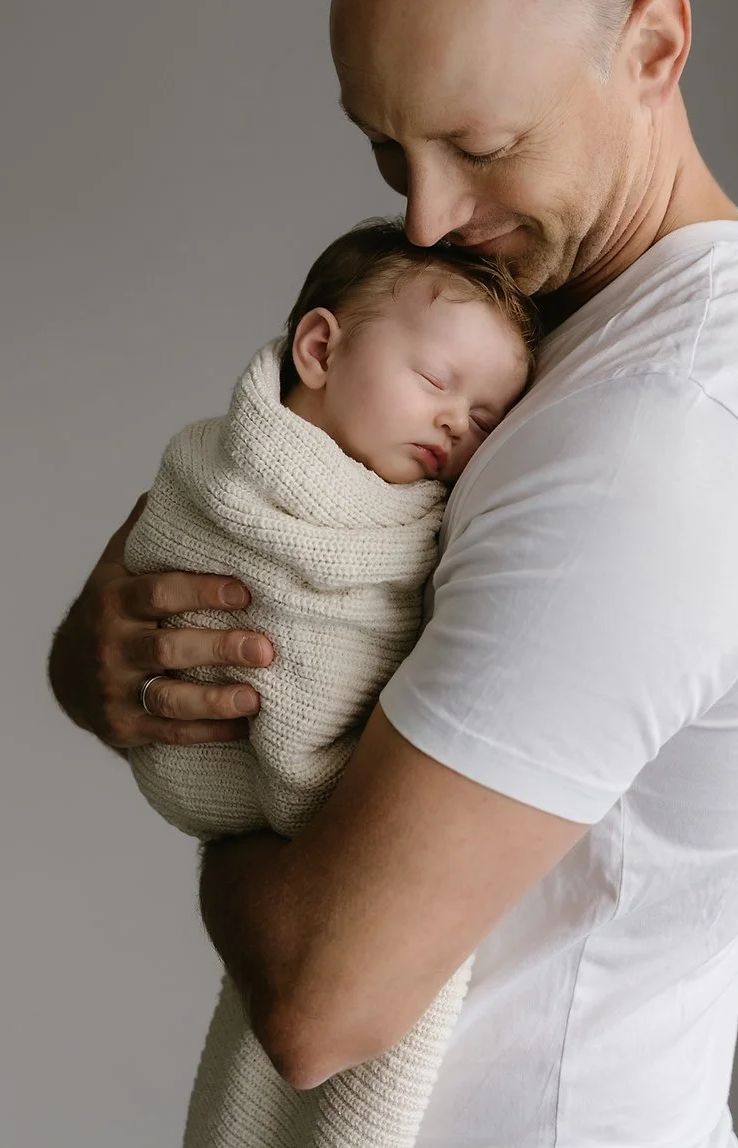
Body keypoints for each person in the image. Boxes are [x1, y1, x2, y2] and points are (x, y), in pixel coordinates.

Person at [49, 0, 738, 1148]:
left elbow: (318, 988)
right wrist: (101, 655)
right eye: (384, 145)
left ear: (652, 48)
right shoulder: (529, 343)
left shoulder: (665, 432)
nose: (424, 216)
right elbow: (235, 557)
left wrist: (231, 836)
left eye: (481, 148)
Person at [124, 219, 537, 1148]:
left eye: (481, 421)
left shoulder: (418, 528)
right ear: (318, 348)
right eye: (436, 382)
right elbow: (163, 568)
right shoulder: (219, 472)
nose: (453, 423)